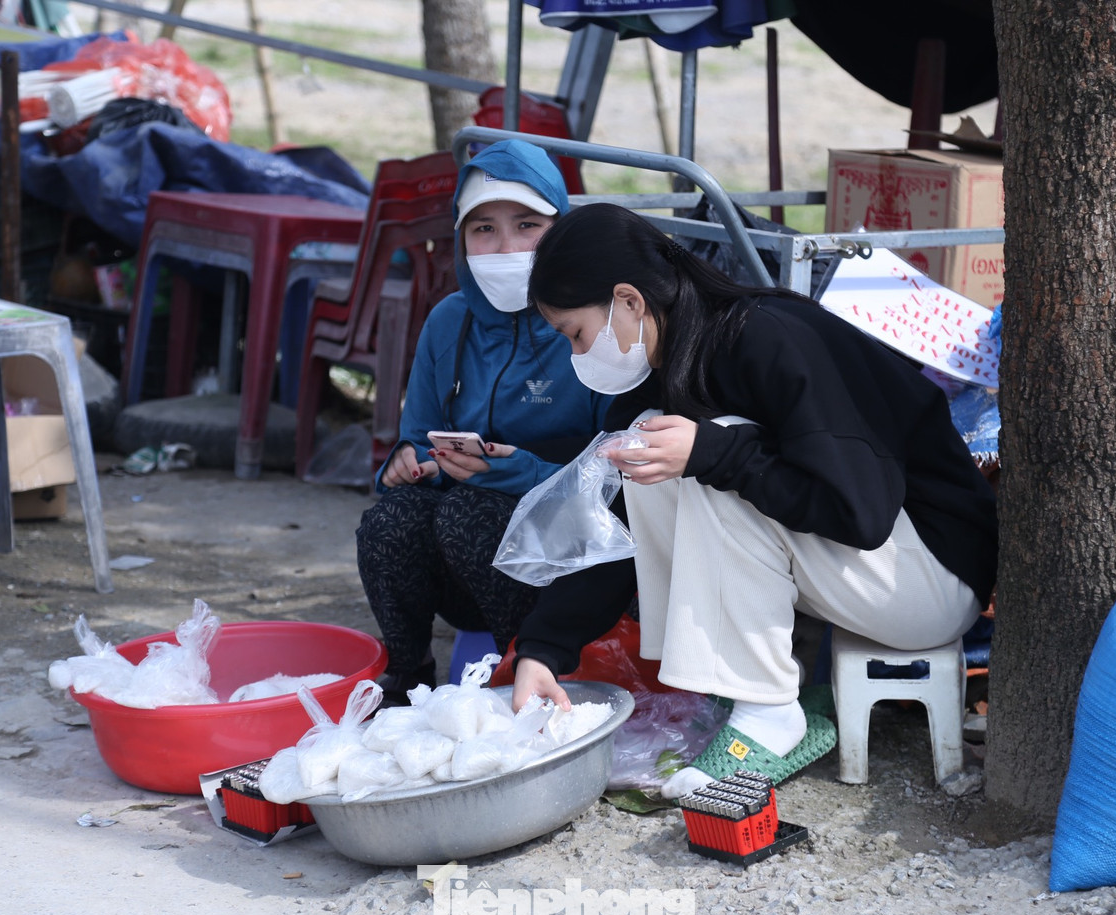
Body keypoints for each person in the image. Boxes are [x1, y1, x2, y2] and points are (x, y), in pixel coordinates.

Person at [511, 202, 998, 797]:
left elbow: (863, 514)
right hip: (871, 569)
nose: (577, 355)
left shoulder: (771, 339)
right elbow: (621, 527)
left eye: (577, 335)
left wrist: (718, 453)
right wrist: (543, 650)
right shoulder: (672, 368)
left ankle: (768, 710)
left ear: (629, 301)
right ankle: (737, 690)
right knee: (655, 450)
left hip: (930, 576)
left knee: (700, 463)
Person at [356, 140, 613, 706]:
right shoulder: (449, 321)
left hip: (580, 572)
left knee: (470, 512)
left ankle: (527, 670)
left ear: (561, 228)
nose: (505, 248)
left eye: (527, 225)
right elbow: (416, 434)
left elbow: (616, 482)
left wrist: (517, 473)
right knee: (389, 522)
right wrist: (408, 463)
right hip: (464, 569)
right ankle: (407, 680)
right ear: (459, 239)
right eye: (483, 229)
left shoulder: (596, 323)